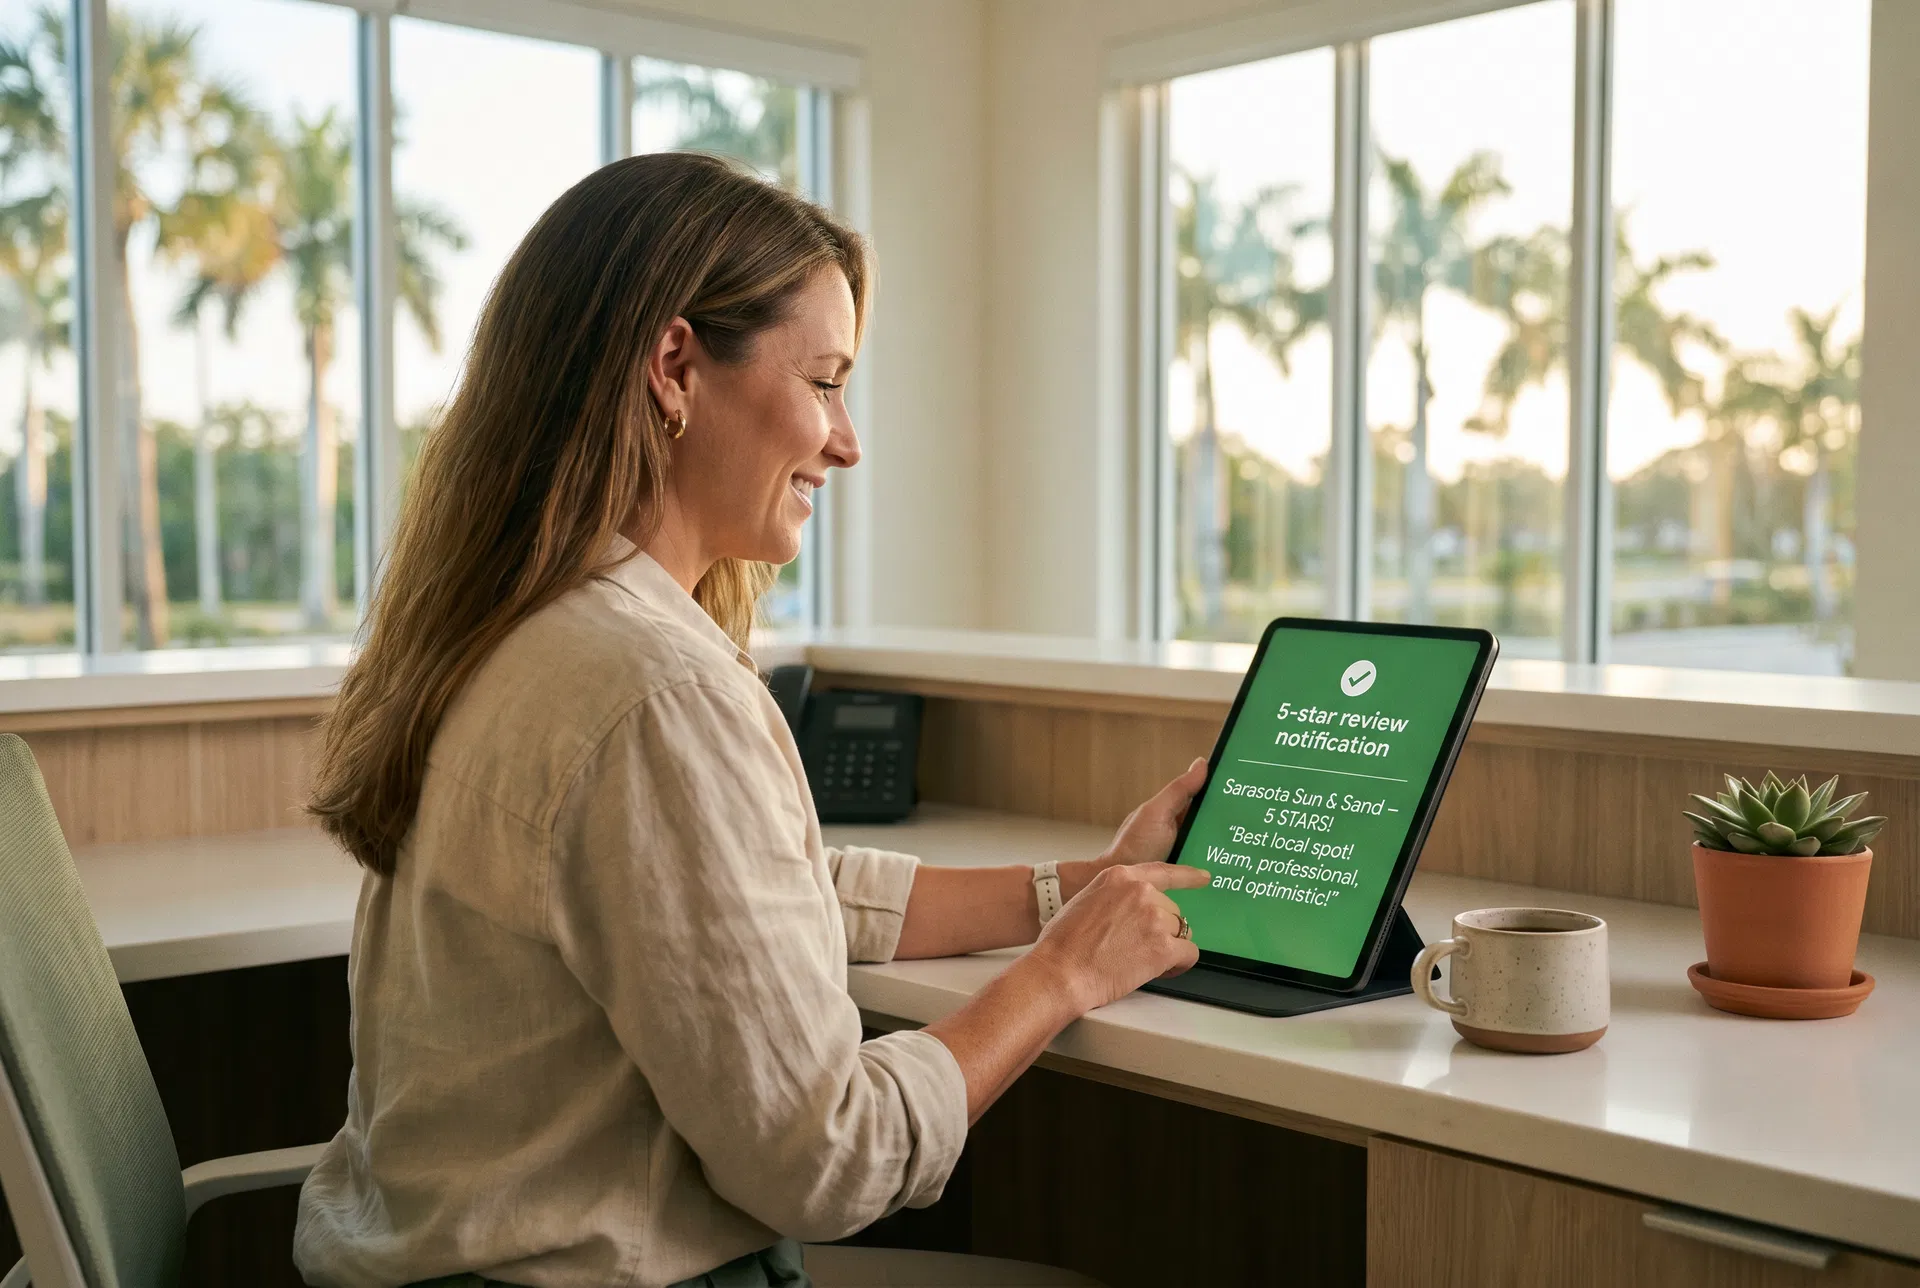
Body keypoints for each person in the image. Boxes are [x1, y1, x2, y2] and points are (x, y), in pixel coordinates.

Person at [295, 152, 1208, 1288]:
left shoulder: (518, 629)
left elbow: (752, 904)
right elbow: (826, 1161)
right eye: (824, 381)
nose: (848, 439)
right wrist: (1061, 977)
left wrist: (1072, 893)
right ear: (675, 365)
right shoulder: (651, 693)